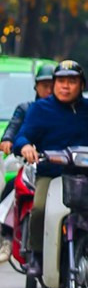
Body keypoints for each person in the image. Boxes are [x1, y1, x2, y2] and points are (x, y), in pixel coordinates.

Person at [14, 60, 88, 273]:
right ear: (54, 84)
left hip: (83, 175)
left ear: (81, 85)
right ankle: (35, 255)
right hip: (50, 176)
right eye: (61, 81)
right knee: (39, 209)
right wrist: (25, 146)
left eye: (72, 81)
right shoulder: (39, 109)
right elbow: (22, 136)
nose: (65, 86)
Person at [0, 63, 55, 263]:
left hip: (62, 168)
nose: (48, 90)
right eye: (44, 85)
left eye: (52, 85)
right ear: (36, 87)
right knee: (14, 185)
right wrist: (9, 140)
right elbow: (14, 130)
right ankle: (6, 234)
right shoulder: (27, 109)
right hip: (33, 166)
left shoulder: (68, 111)